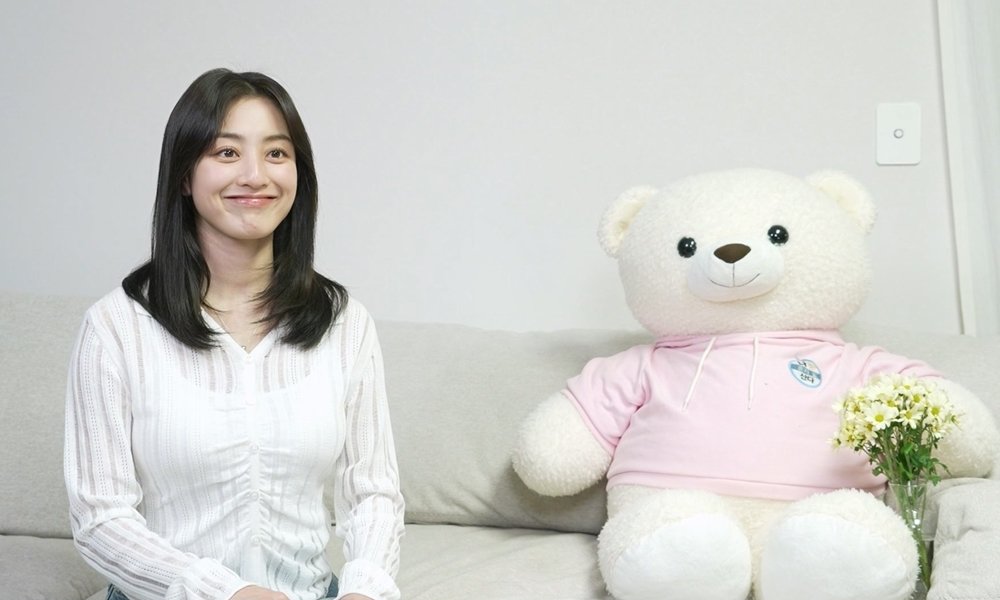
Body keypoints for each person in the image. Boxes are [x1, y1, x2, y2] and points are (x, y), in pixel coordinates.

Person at [63, 68, 404, 600]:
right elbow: (100, 518)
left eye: (276, 153)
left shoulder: (344, 322)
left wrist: (365, 591)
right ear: (184, 175)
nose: (255, 175)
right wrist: (226, 593)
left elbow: (373, 494)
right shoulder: (115, 327)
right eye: (226, 153)